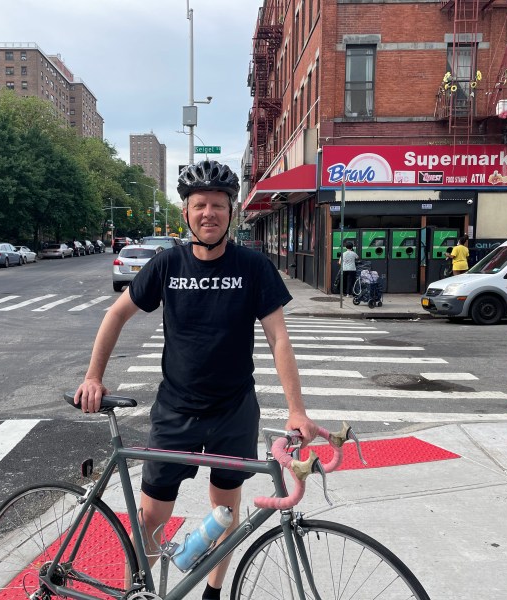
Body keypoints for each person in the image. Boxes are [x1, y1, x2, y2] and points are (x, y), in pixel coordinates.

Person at [74, 159, 318, 600]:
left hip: (233, 410)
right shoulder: (168, 264)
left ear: (231, 212)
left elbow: (279, 338)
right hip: (176, 411)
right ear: (186, 212)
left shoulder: (253, 267)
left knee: (225, 512)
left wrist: (296, 409)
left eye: (219, 205)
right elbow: (117, 314)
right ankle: (139, 591)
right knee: (151, 517)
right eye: (200, 204)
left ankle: (213, 592)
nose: (209, 212)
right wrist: (94, 377)